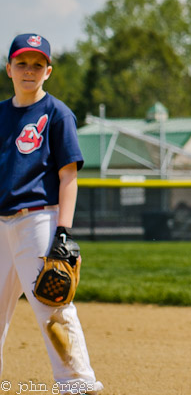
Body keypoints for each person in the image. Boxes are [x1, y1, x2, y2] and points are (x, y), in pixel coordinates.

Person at [1, 34, 103, 395]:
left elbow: (68, 175)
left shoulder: (56, 113)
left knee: (52, 306)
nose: (29, 71)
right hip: (0, 225)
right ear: (9, 68)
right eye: (22, 63)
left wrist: (63, 231)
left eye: (37, 64)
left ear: (48, 71)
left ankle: (78, 384)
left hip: (38, 220)